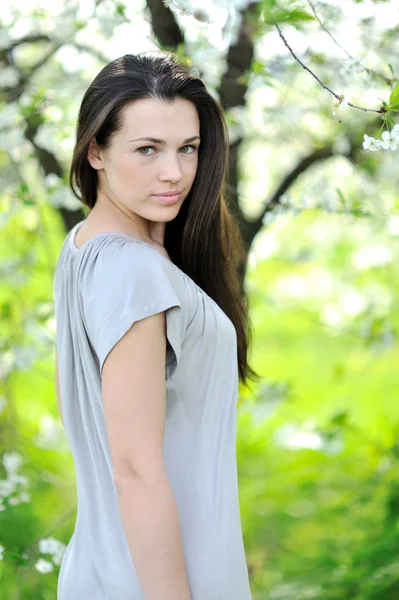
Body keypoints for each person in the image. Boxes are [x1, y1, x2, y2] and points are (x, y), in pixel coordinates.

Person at [53, 50, 259, 600]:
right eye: (147, 150)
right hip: (160, 580)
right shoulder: (133, 271)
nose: (174, 173)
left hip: (110, 564)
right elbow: (135, 470)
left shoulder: (86, 247)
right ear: (95, 150)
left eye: (187, 149)